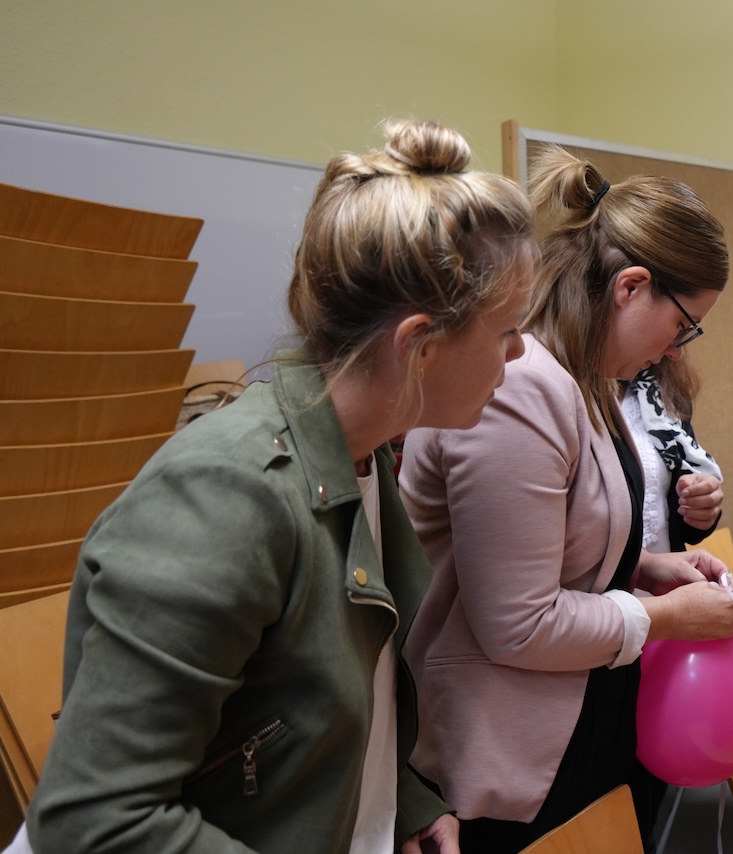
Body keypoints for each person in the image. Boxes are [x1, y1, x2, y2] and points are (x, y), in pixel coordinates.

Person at [18, 118, 537, 854]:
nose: (518, 355)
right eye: (507, 330)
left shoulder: (364, 460)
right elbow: (96, 822)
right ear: (419, 345)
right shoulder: (224, 498)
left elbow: (304, 713)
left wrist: (402, 804)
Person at [398, 144, 733, 853]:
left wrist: (645, 566)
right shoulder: (522, 389)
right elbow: (519, 624)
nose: (678, 350)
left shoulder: (584, 380)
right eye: (682, 325)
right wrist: (666, 616)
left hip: (579, 717)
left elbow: (551, 543)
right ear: (630, 287)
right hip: (510, 754)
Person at [619, 356, 724, 554]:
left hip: (668, 566)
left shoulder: (659, 385)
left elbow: (681, 527)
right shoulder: (571, 393)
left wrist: (701, 506)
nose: (678, 352)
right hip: (604, 574)